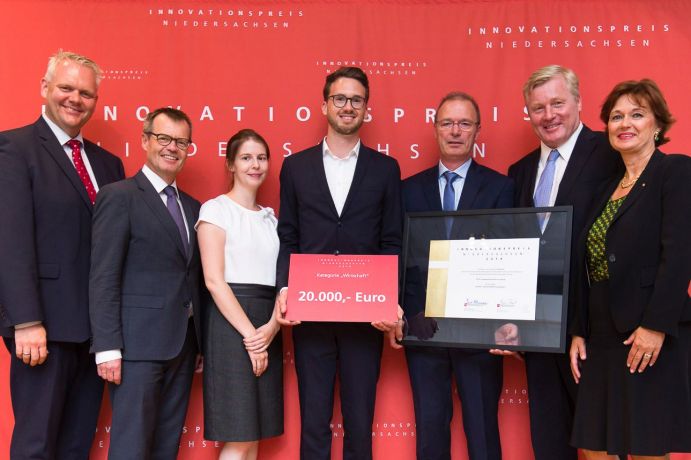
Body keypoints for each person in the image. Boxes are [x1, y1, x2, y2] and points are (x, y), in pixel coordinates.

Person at [0, 50, 124, 459]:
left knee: (76, 446)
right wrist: (26, 320)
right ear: (45, 89)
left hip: (94, 334)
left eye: (86, 93)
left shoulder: (109, 165)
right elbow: (10, 240)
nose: (75, 99)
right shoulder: (14, 148)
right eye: (66, 88)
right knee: (36, 446)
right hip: (44, 329)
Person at [274, 66, 402, 460]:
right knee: (313, 422)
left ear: (367, 108)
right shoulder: (296, 167)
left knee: (359, 422)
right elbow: (289, 236)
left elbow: (391, 241)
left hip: (365, 317)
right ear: (325, 104)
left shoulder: (386, 169)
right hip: (310, 315)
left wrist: (390, 301)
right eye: (340, 99)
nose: (348, 106)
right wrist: (284, 289)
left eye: (357, 100)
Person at [504, 65, 622, 460]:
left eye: (557, 103)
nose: (549, 115)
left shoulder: (611, 153)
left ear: (578, 103)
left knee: (603, 441)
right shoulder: (519, 172)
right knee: (549, 437)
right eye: (538, 108)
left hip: (595, 329)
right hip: (538, 331)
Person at [569, 79, 691, 459]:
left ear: (657, 124)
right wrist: (578, 330)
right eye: (616, 116)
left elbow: (681, 255)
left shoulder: (675, 172)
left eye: (637, 114)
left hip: (648, 333)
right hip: (602, 334)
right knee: (592, 448)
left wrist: (655, 326)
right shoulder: (607, 188)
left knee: (645, 448)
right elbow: (586, 264)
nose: (625, 123)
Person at [401, 92, 514, 460]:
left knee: (482, 432)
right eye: (447, 122)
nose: (455, 131)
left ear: (477, 130)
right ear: (435, 129)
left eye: (464, 123)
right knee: (430, 433)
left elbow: (509, 258)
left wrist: (505, 319)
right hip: (423, 328)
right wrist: (405, 314)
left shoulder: (501, 188)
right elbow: (401, 257)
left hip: (480, 331)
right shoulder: (407, 190)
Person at [89, 107, 203, 459]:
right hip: (135, 348)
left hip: (182, 347)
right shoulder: (119, 195)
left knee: (166, 447)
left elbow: (190, 275)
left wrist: (198, 341)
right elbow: (103, 274)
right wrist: (107, 347)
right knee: (131, 447)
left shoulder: (193, 206)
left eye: (181, 141)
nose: (173, 147)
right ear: (145, 140)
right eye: (164, 138)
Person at [196, 129, 283, 459]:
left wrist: (271, 328)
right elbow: (214, 281)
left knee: (255, 432)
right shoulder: (215, 210)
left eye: (261, 157)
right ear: (230, 164)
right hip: (232, 325)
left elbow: (281, 282)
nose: (255, 165)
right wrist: (251, 337)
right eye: (246, 158)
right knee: (239, 433)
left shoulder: (271, 219)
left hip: (267, 323)